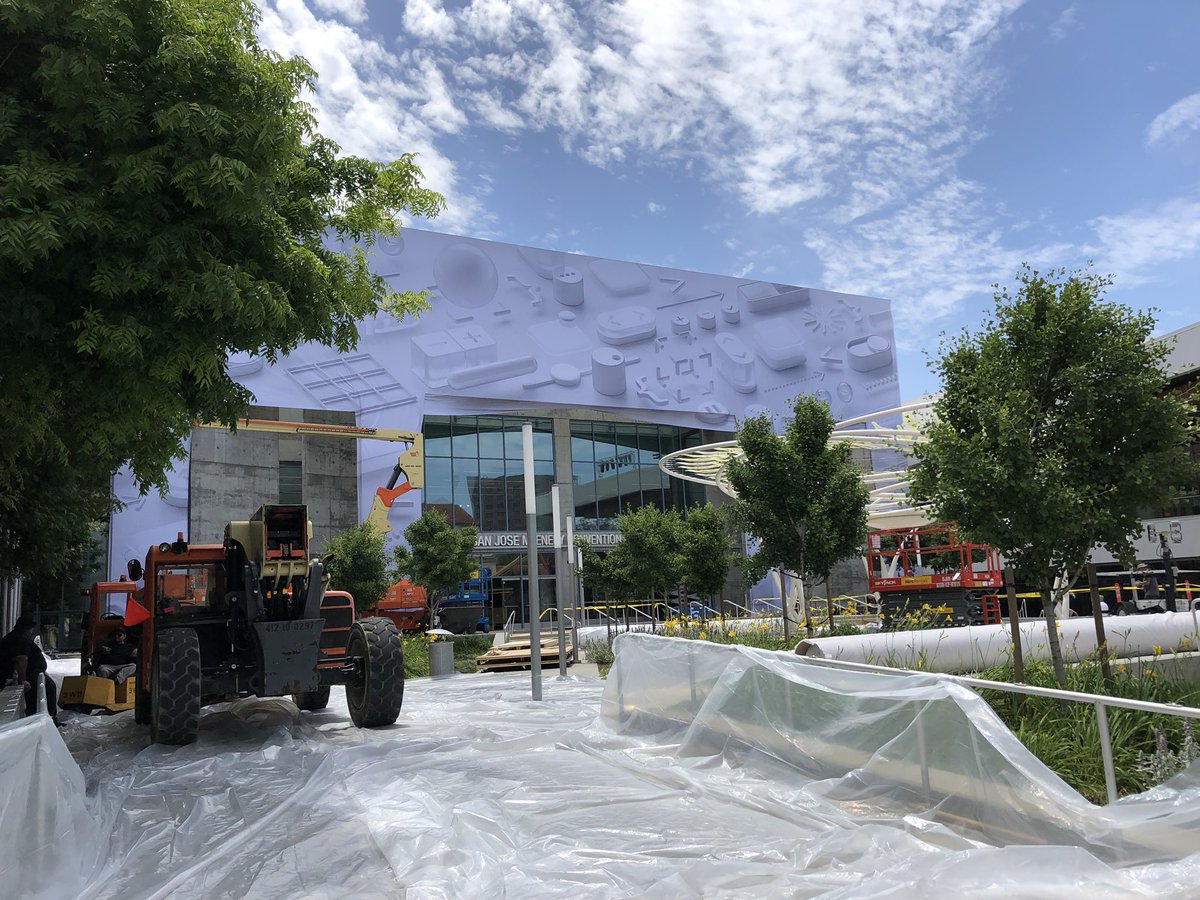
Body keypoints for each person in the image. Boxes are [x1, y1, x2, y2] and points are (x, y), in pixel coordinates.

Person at [0, 616, 59, 723]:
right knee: (44, 691)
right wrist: (23, 679)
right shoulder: (19, 639)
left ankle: (47, 718)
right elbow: (20, 659)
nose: (31, 632)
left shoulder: (16, 637)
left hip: (31, 673)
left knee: (46, 689)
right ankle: (46, 720)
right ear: (27, 628)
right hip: (28, 675)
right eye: (31, 629)